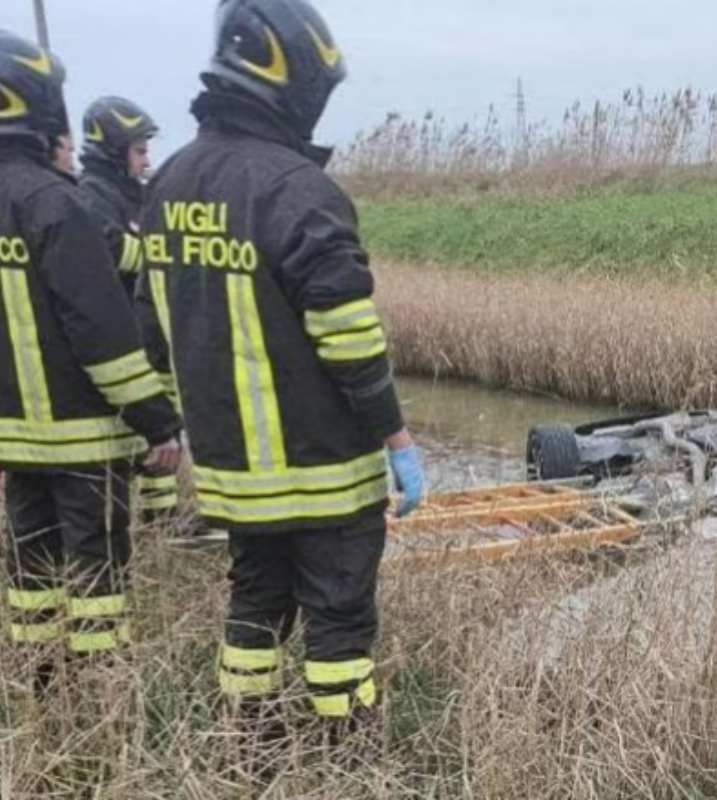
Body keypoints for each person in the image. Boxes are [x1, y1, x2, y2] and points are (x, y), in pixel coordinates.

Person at [136, 0, 426, 742]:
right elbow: (349, 336)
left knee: (254, 609)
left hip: (234, 477)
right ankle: (348, 757)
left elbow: (151, 324)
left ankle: (249, 746)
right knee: (338, 623)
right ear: (290, 81)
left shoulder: (166, 184)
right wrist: (395, 439)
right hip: (324, 470)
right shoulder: (298, 188)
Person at [0, 29, 182, 694]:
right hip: (82, 439)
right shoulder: (57, 204)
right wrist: (157, 421)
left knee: (32, 574)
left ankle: (37, 684)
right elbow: (102, 332)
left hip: (13, 443)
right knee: (97, 579)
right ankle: (98, 692)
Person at [77, 97, 187, 529]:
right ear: (114, 150)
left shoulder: (134, 194)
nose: (146, 160)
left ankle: (163, 515)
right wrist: (161, 252)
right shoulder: (90, 196)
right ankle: (149, 518)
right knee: (140, 429)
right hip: (124, 336)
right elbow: (109, 252)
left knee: (165, 421)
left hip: (152, 333)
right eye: (139, 151)